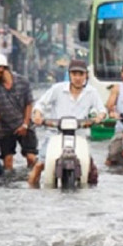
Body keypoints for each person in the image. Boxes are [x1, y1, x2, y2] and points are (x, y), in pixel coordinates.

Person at [28, 59, 107, 187]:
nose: (77, 78)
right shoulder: (57, 89)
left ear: (86, 75)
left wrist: (99, 117)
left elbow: (102, 110)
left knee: (90, 172)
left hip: (79, 136)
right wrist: (37, 115)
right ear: (69, 75)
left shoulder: (92, 92)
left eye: (81, 74)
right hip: (54, 134)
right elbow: (40, 104)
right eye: (74, 74)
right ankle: (31, 191)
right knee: (39, 165)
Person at [0, 53, 37, 171]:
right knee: (7, 162)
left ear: (1, 68)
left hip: (24, 125)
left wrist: (25, 124)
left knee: (31, 157)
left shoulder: (23, 82)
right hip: (5, 128)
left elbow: (29, 103)